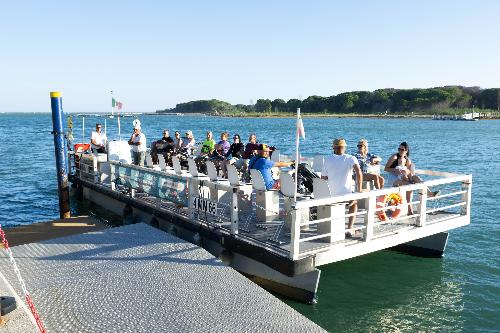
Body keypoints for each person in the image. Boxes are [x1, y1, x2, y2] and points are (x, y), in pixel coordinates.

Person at [321, 138, 363, 237]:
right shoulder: (351, 158)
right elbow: (359, 173)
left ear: (333, 148)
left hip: (330, 196)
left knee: (349, 200)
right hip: (345, 195)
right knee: (354, 203)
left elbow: (322, 178)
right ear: (344, 148)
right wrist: (359, 190)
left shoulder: (328, 159)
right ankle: (349, 228)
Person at [384, 142, 438, 215]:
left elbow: (410, 173)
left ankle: (430, 193)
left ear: (406, 151)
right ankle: (410, 210)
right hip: (394, 179)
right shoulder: (394, 157)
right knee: (409, 185)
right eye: (399, 149)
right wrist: (394, 170)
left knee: (416, 178)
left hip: (403, 177)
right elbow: (386, 168)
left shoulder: (407, 160)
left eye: (402, 149)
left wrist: (408, 174)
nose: (400, 151)